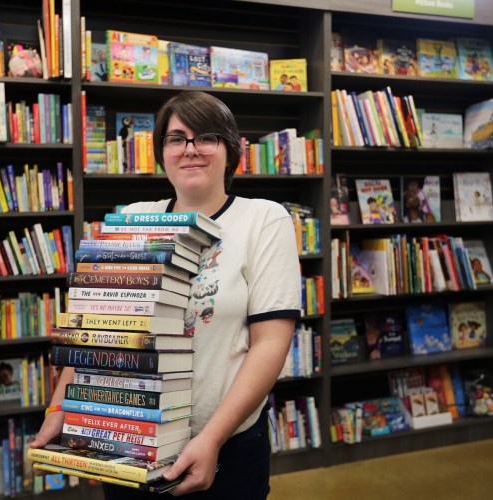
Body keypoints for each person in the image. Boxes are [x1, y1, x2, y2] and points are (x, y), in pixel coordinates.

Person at [30, 91, 302, 499]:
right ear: (161, 153)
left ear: (230, 149)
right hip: (129, 440)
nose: (190, 149)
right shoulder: (133, 219)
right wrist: (61, 408)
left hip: (225, 446)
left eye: (205, 137)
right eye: (176, 139)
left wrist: (210, 440)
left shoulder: (263, 219)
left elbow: (271, 344)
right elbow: (98, 330)